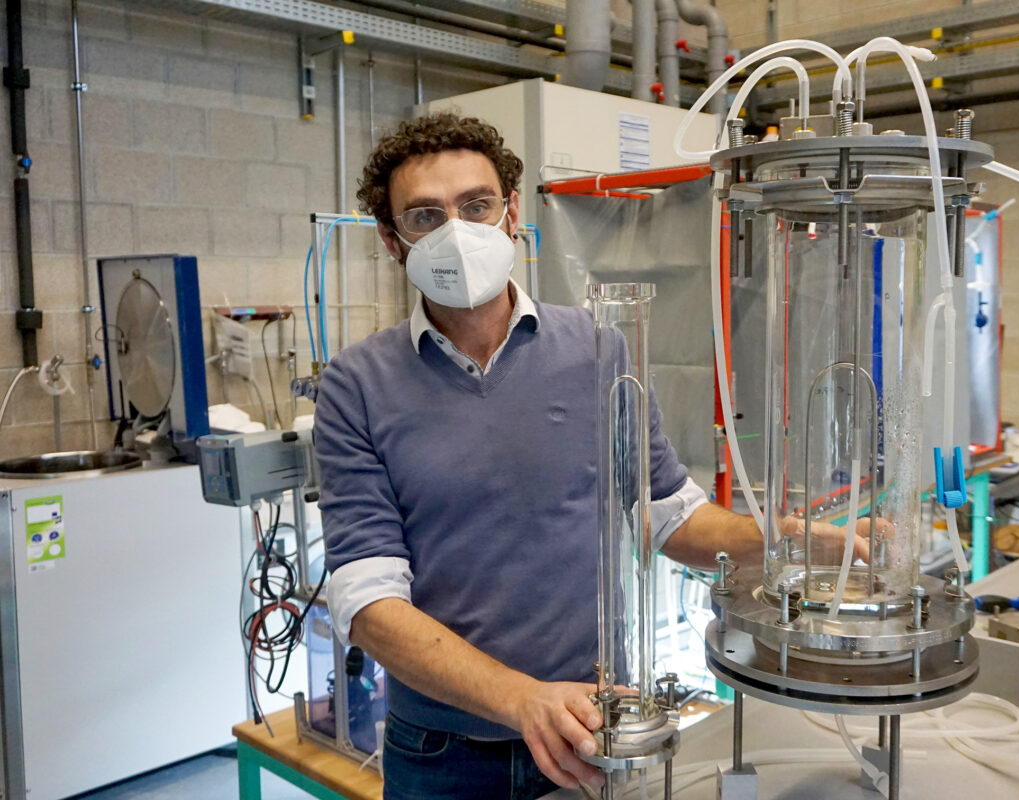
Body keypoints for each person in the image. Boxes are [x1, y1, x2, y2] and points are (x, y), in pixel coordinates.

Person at [314, 111, 873, 800]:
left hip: (594, 727)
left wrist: (787, 542)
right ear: (391, 240)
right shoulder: (356, 386)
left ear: (511, 213)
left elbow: (669, 516)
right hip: (443, 755)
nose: (456, 231)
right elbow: (368, 601)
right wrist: (522, 699)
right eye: (426, 216)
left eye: (476, 205)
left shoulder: (598, 347)